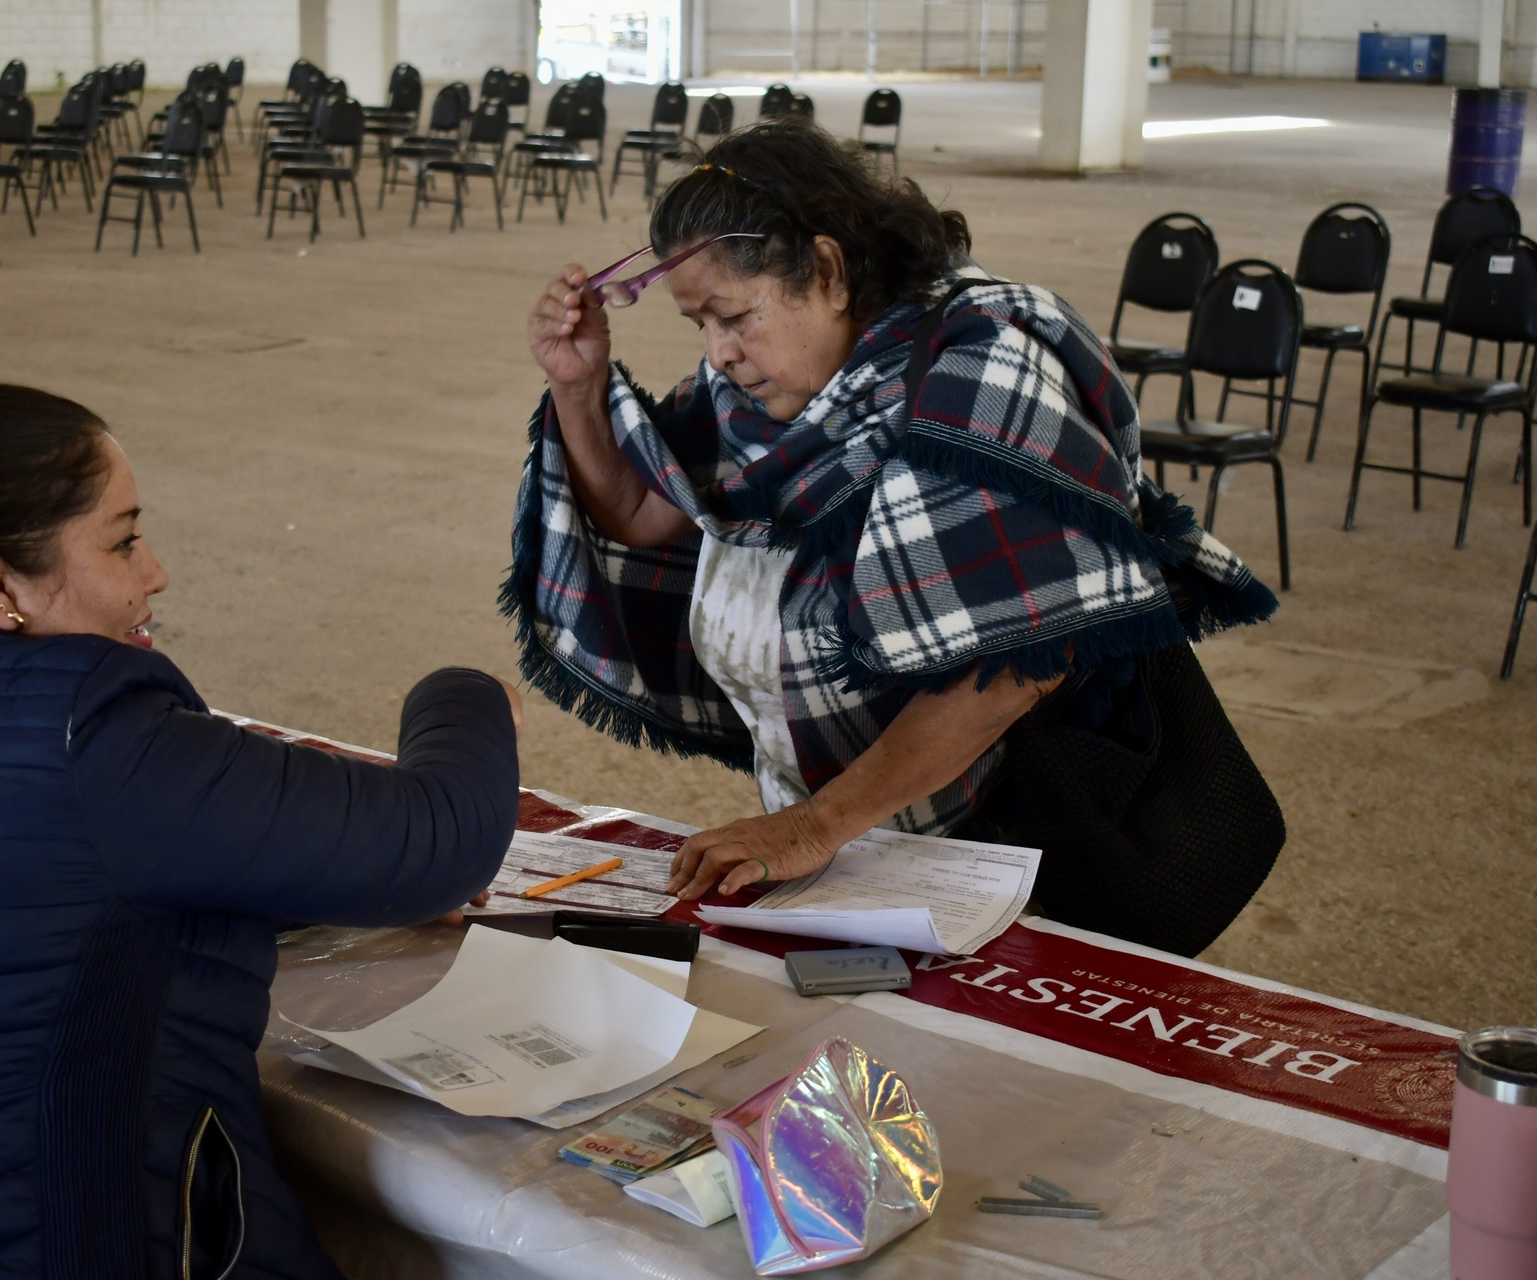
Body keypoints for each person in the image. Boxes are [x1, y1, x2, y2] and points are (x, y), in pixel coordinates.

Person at [0, 385, 522, 1279]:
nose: (153, 572)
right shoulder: (86, 725)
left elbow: (26, 898)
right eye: (122, 541)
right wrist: (465, 695)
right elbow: (438, 840)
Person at [511, 119, 1279, 947]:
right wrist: (580, 388)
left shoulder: (984, 368)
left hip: (1003, 846)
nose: (720, 352)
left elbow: (1017, 664)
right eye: (700, 323)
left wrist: (814, 827)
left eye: (732, 315)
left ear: (830, 270)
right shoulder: (764, 386)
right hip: (851, 840)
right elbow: (640, 512)